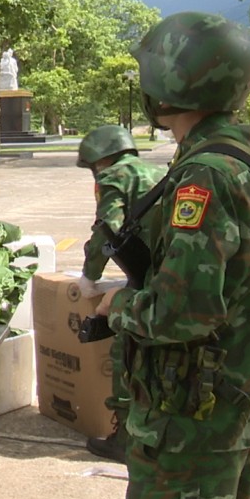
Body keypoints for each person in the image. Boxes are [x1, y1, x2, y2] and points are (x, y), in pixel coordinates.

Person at [94, 11, 250, 499]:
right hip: (242, 403)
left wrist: (122, 308)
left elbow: (184, 310)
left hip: (191, 419)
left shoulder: (205, 176)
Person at [74, 125, 165, 463]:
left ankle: (124, 438)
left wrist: (89, 275)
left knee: (124, 352)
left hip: (143, 280)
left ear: (101, 159)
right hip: (167, 269)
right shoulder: (156, 171)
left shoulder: (114, 177)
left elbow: (107, 230)